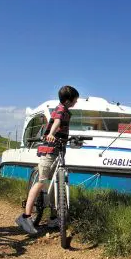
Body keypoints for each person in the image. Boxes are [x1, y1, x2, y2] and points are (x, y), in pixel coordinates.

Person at [16, 85, 79, 235]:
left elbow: (62, 128)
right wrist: (51, 133)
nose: (77, 102)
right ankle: (25, 217)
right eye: (75, 99)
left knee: (53, 183)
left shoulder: (66, 111)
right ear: (69, 100)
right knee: (42, 181)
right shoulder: (61, 109)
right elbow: (57, 122)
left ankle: (53, 218)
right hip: (49, 150)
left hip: (58, 151)